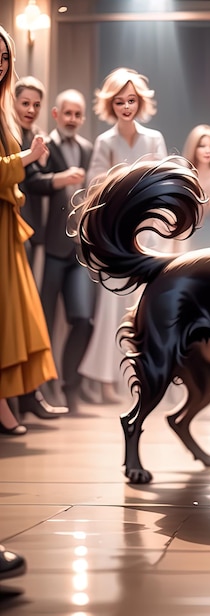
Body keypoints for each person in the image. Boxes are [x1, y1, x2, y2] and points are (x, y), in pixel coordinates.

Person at [80, 68, 168, 405]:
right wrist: (122, 180)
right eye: (120, 101)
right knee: (110, 307)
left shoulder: (153, 138)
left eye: (131, 100)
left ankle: (144, 376)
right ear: (110, 104)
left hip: (148, 231)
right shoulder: (105, 141)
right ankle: (104, 379)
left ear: (140, 102)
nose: (126, 107)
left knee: (144, 307)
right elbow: (93, 184)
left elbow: (162, 182)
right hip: (114, 233)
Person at [22, 89, 95, 414]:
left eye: (78, 114)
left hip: (79, 249)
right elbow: (33, 181)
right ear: (55, 114)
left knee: (83, 319)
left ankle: (70, 385)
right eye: (67, 113)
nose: (72, 119)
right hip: (49, 247)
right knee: (45, 323)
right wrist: (60, 179)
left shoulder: (88, 149)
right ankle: (41, 388)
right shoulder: (42, 145)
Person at [0, 23, 57, 440]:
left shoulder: (3, 111)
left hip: (6, 224)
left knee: (15, 318)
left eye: (4, 58)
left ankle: (11, 401)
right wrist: (27, 157)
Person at [15, 75, 45, 269]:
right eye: (25, 103)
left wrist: (43, 162)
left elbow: (37, 179)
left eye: (36, 105)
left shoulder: (38, 136)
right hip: (11, 217)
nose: (31, 110)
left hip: (32, 218)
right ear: (13, 102)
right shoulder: (7, 134)